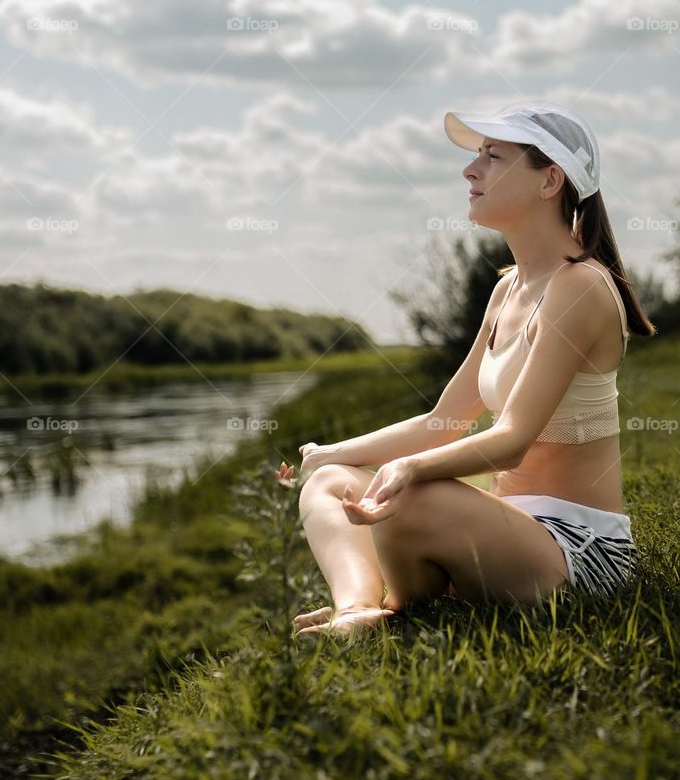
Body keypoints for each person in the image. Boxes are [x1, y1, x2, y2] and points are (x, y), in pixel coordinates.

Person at [276, 100, 656, 639]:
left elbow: (512, 440)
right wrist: (332, 455)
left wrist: (409, 470)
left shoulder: (580, 288)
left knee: (410, 488)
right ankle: (359, 612)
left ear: (550, 180)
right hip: (512, 530)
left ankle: (394, 607)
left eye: (493, 156)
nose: (470, 170)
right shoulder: (508, 289)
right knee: (332, 483)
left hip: (579, 551)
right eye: (477, 155)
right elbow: (443, 420)